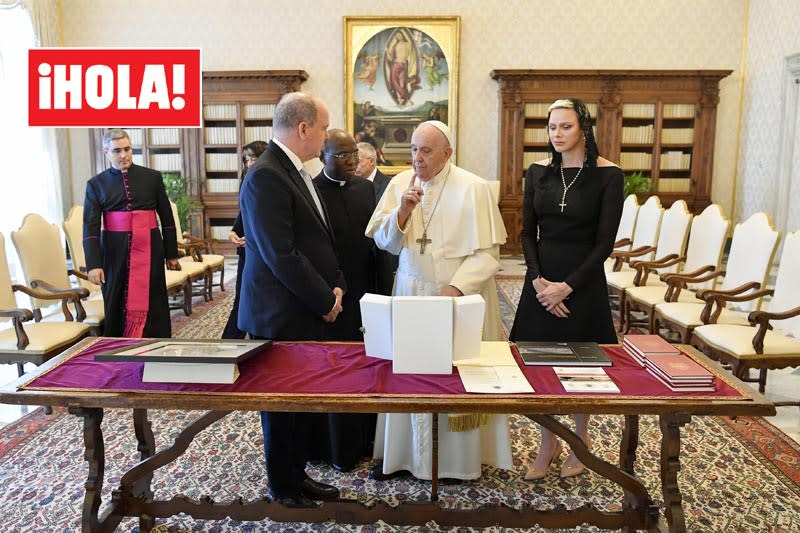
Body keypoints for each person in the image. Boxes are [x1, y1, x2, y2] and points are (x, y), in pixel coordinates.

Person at [365, 120, 512, 481]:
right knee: (409, 375)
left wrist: (454, 290)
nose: (417, 158)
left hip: (457, 298)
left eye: (426, 150)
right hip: (412, 294)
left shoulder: (473, 188)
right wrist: (402, 213)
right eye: (413, 149)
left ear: (447, 153)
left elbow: (488, 254)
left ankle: (455, 464)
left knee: (454, 378)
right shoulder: (400, 185)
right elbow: (384, 243)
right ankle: (406, 458)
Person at [238, 92, 344, 508]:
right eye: (322, 128)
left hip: (300, 306)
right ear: (303, 129)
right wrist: (324, 299)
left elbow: (317, 237)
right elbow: (280, 254)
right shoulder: (266, 175)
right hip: (279, 314)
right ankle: (283, 488)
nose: (325, 136)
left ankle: (297, 476)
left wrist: (334, 285)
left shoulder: (292, 169)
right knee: (281, 407)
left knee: (298, 402)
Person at [509, 98, 623, 480]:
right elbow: (527, 231)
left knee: (581, 365)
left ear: (584, 128)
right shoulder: (537, 171)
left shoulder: (609, 175)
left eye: (566, 127)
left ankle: (579, 439)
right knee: (538, 364)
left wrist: (567, 287)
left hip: (583, 281)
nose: (557, 134)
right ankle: (548, 441)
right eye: (552, 127)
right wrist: (539, 280)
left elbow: (604, 243)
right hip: (541, 280)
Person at [309, 129, 377, 471]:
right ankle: (330, 448)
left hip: (365, 291)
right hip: (331, 295)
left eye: (354, 154)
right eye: (343, 155)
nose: (352, 161)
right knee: (332, 373)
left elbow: (376, 244)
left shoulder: (367, 189)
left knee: (366, 368)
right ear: (323, 156)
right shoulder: (310, 191)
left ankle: (365, 443)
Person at [83, 128, 181, 338]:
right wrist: (94, 264)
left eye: (127, 149)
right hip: (114, 249)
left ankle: (157, 341)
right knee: (117, 295)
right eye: (117, 150)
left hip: (149, 246)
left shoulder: (152, 177)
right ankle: (120, 344)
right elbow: (90, 227)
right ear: (106, 152)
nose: (124, 155)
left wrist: (171, 253)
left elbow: (166, 218)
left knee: (153, 295)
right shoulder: (96, 184)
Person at [221, 140, 267, 339]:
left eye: (254, 159)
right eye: (246, 159)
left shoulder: (270, 179)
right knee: (241, 299)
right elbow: (244, 212)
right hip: (245, 248)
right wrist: (234, 231)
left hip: (264, 248)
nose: (249, 164)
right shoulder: (246, 178)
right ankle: (229, 346)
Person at [356, 141, 397, 295]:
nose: (353, 166)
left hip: (384, 260)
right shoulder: (351, 186)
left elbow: (395, 226)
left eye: (357, 161)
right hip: (360, 263)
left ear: (371, 161)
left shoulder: (390, 185)